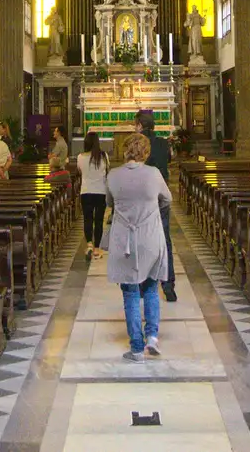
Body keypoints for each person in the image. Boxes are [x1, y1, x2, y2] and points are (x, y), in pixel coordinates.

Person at [107, 132, 172, 362]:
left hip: (125, 239)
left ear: (125, 151)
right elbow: (167, 199)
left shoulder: (114, 175)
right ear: (146, 152)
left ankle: (136, 348)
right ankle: (152, 337)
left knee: (131, 292)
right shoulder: (153, 174)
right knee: (152, 288)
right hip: (151, 237)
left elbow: (109, 202)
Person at [136, 109, 177, 301]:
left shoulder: (137, 143)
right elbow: (169, 159)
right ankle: (168, 286)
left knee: (143, 240)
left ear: (139, 126)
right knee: (164, 240)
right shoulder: (162, 142)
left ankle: (144, 285)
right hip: (161, 195)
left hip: (144, 197)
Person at [78, 130, 110, 258]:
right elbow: (107, 171)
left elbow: (80, 172)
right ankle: (97, 249)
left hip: (86, 191)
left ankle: (89, 245)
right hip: (100, 191)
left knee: (87, 218)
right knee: (98, 220)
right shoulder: (104, 156)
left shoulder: (80, 157)